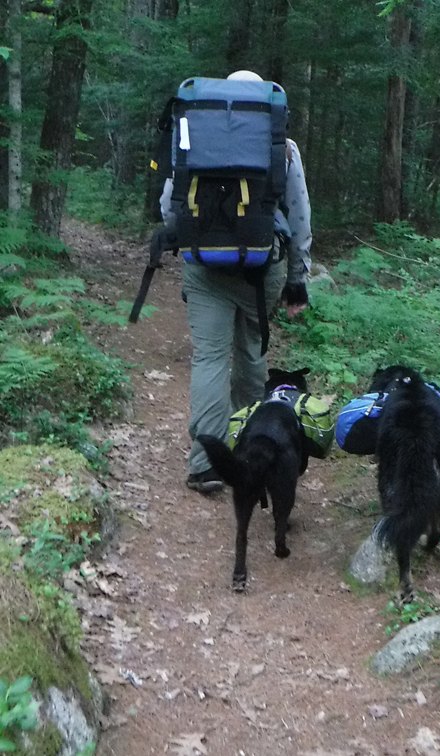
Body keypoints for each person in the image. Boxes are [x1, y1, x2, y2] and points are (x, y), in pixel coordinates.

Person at [159, 69, 312, 494]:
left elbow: (170, 204)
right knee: (251, 357)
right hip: (263, 267)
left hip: (205, 266)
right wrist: (298, 277)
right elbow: (298, 217)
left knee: (209, 359)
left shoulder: (193, 133)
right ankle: (251, 456)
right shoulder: (282, 145)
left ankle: (206, 465)